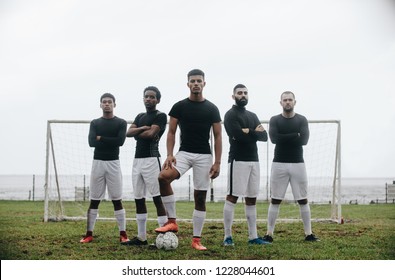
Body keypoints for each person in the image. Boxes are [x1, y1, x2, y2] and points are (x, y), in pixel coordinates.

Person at [154, 69, 222, 251]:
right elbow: (171, 132)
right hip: (183, 154)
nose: (196, 83)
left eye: (199, 80)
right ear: (188, 84)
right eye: (193, 81)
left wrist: (217, 162)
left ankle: (196, 240)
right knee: (163, 177)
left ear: (204, 83)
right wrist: (169, 154)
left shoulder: (212, 108)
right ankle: (172, 222)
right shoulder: (179, 107)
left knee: (200, 197)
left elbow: (217, 136)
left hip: (204, 156)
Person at [262, 91, 319, 243]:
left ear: (295, 102)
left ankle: (309, 234)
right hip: (279, 163)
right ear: (280, 102)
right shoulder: (274, 120)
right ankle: (269, 234)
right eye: (285, 100)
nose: (287, 102)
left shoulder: (302, 119)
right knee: (275, 199)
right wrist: (295, 135)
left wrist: (285, 137)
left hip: (298, 164)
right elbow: (274, 139)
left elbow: (305, 140)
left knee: (303, 200)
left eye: (290, 100)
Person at [222, 84, 270, 246]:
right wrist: (253, 132)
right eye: (239, 93)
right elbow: (236, 136)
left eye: (245, 93)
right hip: (238, 160)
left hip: (254, 161)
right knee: (233, 197)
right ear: (233, 96)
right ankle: (227, 237)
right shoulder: (230, 115)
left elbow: (264, 136)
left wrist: (248, 131)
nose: (243, 95)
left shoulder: (253, 115)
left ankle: (253, 237)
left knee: (251, 198)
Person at [121, 86, 168, 246]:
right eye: (146, 96)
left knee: (156, 198)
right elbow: (128, 133)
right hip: (137, 161)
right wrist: (141, 128)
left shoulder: (160, 116)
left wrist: (138, 132)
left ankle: (164, 236)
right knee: (139, 199)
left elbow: (150, 135)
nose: (148, 99)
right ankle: (142, 238)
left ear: (157, 100)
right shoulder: (140, 116)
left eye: (152, 97)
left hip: (151, 159)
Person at [80, 93, 129, 243]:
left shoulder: (121, 123)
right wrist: (108, 140)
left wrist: (101, 138)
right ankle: (89, 234)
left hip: (113, 163)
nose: (107, 104)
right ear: (100, 105)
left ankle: (123, 234)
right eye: (104, 102)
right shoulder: (95, 123)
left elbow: (120, 141)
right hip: (98, 163)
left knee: (117, 200)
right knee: (94, 200)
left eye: (110, 102)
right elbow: (91, 143)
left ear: (115, 104)